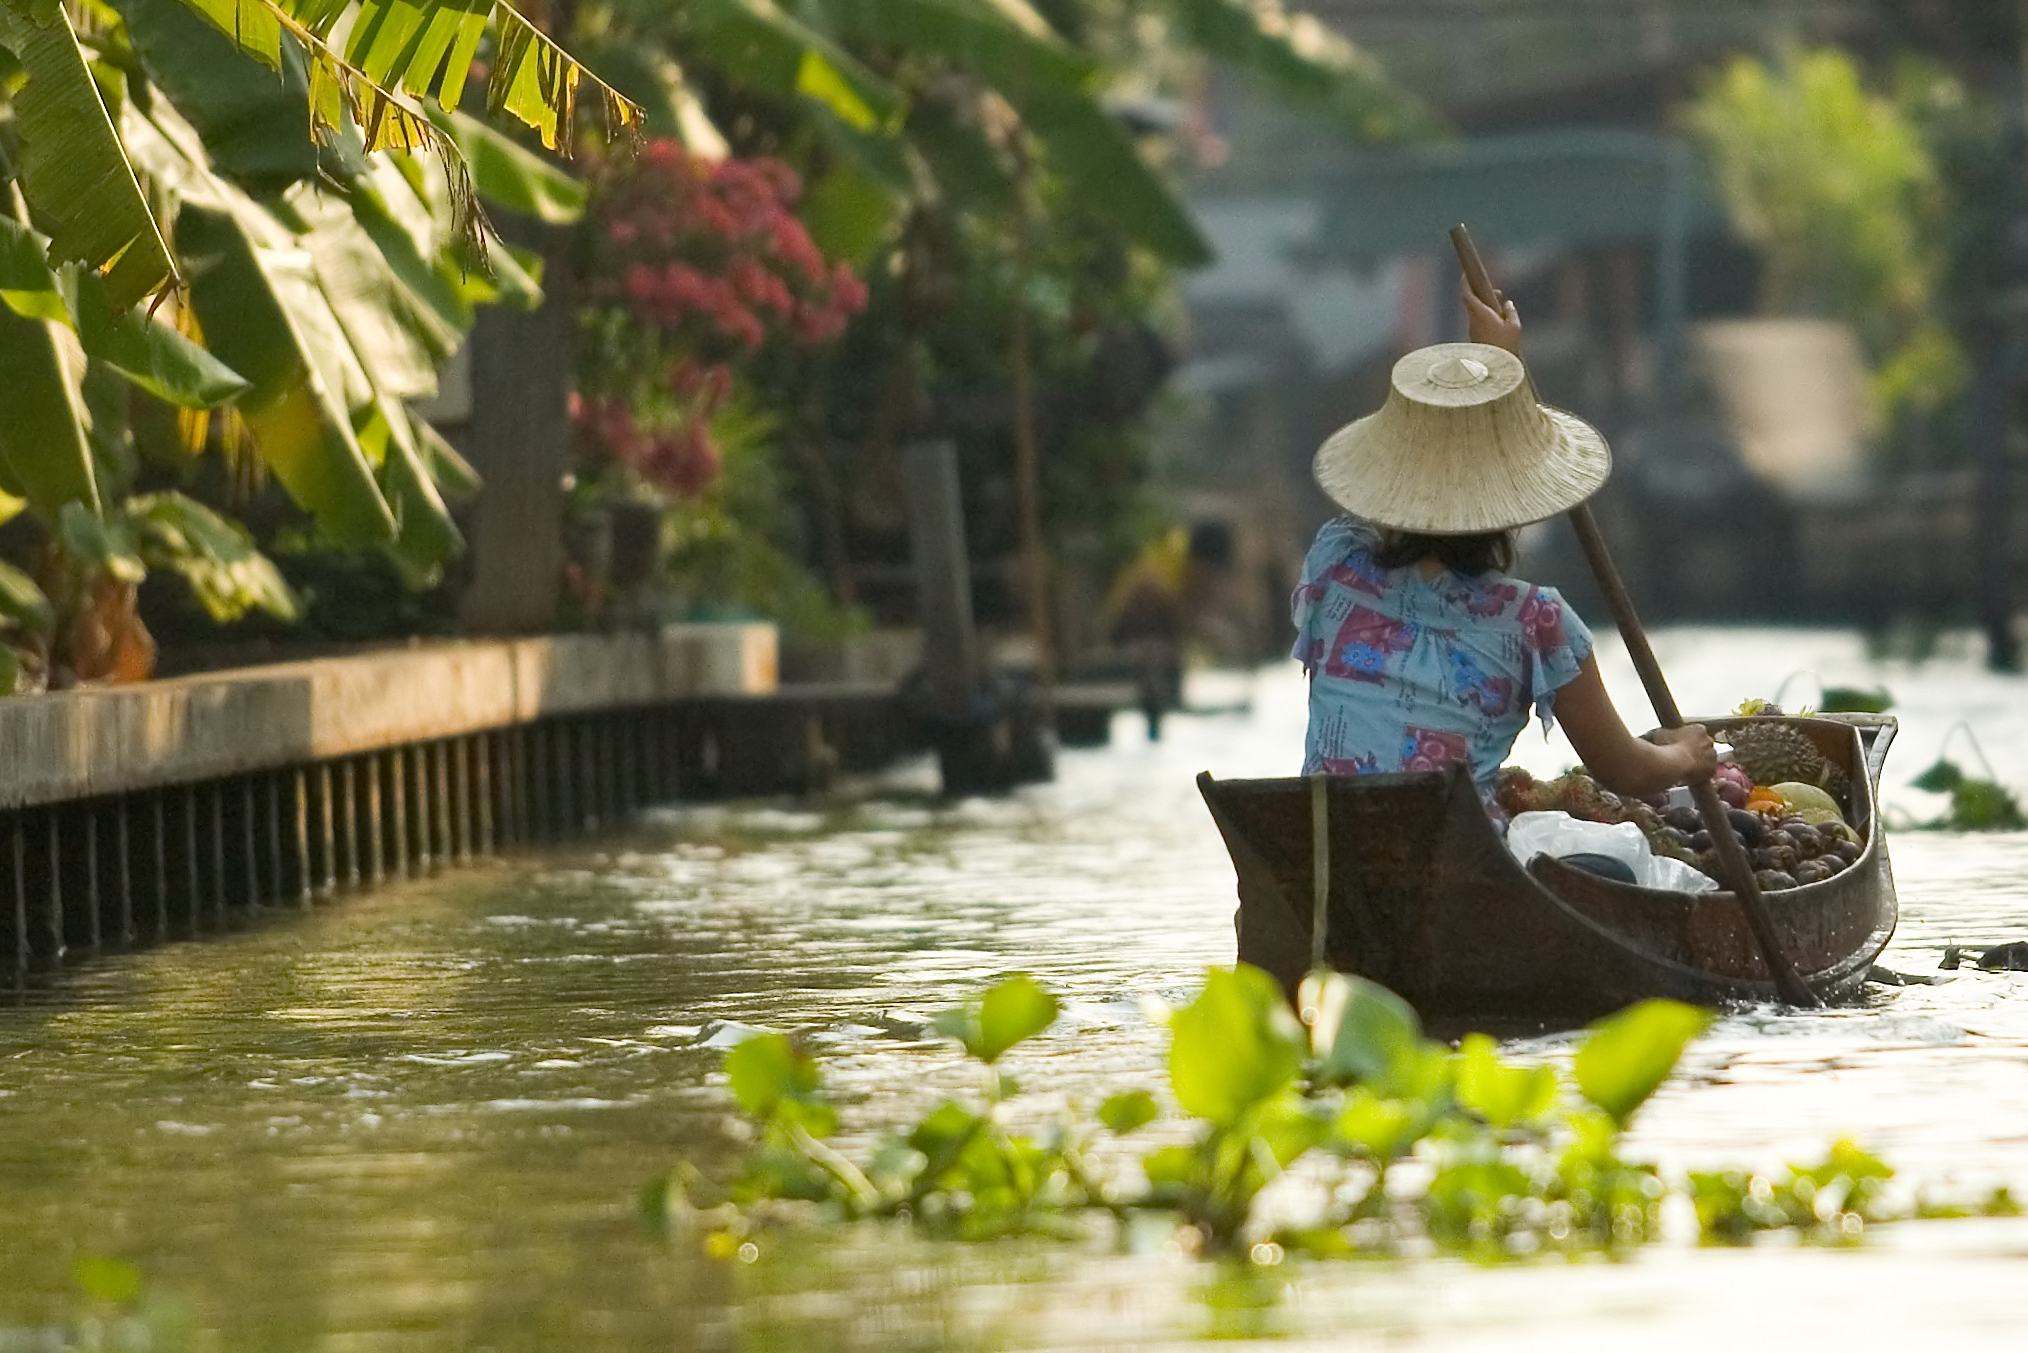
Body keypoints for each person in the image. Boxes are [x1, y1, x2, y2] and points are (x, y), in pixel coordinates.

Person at [1292, 289, 1715, 820]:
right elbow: (1625, 770)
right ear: (1513, 500)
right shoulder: (1536, 621)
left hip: (1322, 846)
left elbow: (1435, 462)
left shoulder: (1336, 565)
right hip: (1455, 856)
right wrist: (1686, 756)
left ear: (1393, 486)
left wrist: (1496, 366)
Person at [1103, 519, 1235, 733]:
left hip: (1155, 630)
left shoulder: (1188, 562)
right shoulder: (1167, 563)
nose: (1209, 580)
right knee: (1155, 653)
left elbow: (1193, 612)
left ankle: (1164, 699)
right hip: (1131, 625)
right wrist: (1206, 631)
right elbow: (1174, 611)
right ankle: (1157, 701)